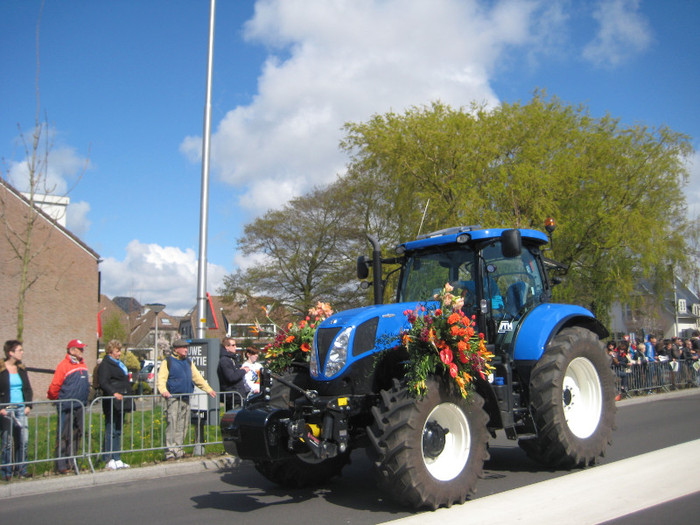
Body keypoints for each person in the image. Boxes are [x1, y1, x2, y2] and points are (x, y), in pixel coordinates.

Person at [157, 339, 216, 460]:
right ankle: (169, 452)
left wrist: (208, 389)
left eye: (186, 347)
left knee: (183, 425)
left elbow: (197, 377)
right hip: (173, 398)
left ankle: (178, 449)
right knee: (172, 423)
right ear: (176, 349)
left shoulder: (188, 362)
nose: (186, 350)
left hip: (186, 397)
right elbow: (161, 378)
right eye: (183, 347)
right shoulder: (167, 361)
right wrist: (164, 391)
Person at [47, 339, 90, 474]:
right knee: (64, 435)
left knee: (77, 434)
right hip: (66, 406)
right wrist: (56, 399)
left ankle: (73, 462)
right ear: (72, 351)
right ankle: (61, 465)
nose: (82, 351)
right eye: (80, 349)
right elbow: (55, 386)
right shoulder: (63, 365)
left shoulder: (83, 365)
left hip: (80, 406)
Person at [0, 340, 33, 481]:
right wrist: (1, 408)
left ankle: (21, 469)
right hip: (7, 408)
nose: (22, 352)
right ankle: (6, 471)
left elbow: (27, 388)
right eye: (19, 350)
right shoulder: (1, 370)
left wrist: (28, 405)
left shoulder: (21, 369)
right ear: (10, 353)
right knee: (7, 441)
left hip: (20, 407)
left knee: (23, 440)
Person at [97, 340, 132, 470]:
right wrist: (114, 393)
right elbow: (104, 382)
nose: (119, 353)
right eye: (117, 351)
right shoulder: (105, 365)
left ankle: (117, 457)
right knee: (110, 429)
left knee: (118, 430)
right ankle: (109, 458)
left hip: (121, 402)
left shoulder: (119, 364)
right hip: (111, 402)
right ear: (110, 351)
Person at [217, 338, 249, 411]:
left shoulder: (232, 358)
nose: (235, 347)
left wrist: (240, 369)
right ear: (227, 347)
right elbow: (231, 377)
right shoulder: (225, 360)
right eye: (233, 345)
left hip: (237, 394)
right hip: (232, 396)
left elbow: (234, 372)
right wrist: (243, 371)